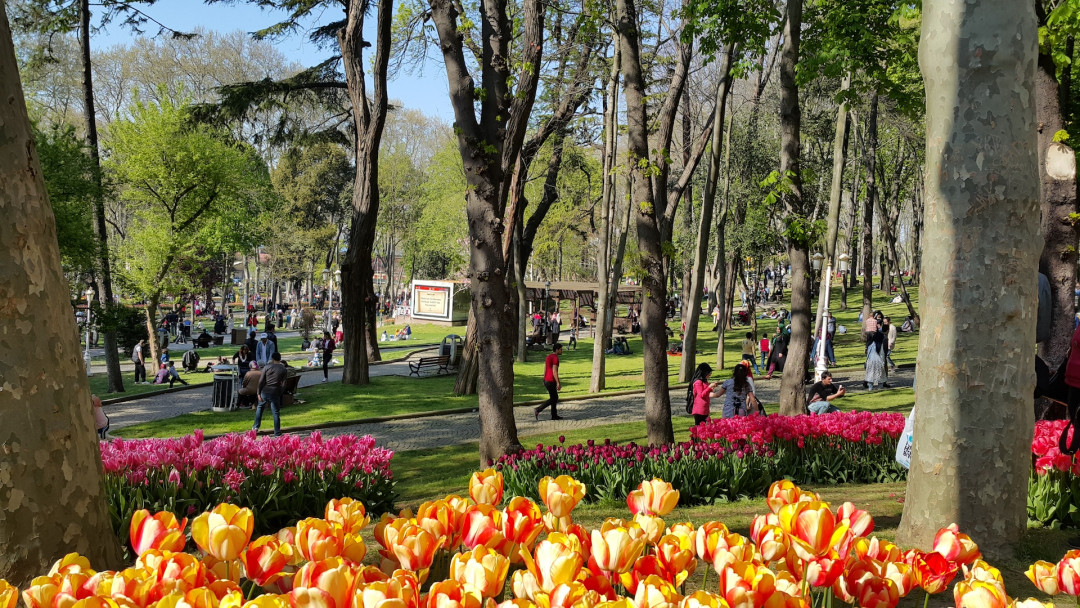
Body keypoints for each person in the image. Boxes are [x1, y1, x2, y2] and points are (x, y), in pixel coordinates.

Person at [255, 352, 287, 437]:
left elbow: (261, 381)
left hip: (265, 391)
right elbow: (284, 384)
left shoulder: (267, 367)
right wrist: (280, 392)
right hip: (275, 391)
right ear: (280, 359)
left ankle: (255, 427)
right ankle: (277, 432)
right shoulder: (283, 369)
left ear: (272, 359)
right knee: (276, 412)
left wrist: (258, 392)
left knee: (260, 408)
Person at [534, 343, 563, 421]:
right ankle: (538, 409)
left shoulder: (548, 357)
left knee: (554, 397)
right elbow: (555, 371)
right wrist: (558, 383)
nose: (562, 351)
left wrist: (544, 378)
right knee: (554, 398)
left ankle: (554, 415)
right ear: (557, 350)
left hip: (546, 380)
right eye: (561, 349)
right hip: (550, 380)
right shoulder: (555, 358)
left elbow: (545, 368)